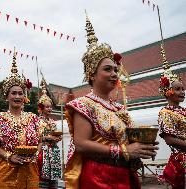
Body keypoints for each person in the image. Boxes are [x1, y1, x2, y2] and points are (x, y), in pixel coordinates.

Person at [64, 13, 159, 189]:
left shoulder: (119, 108)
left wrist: (141, 146)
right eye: (108, 69)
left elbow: (127, 142)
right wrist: (123, 151)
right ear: (92, 74)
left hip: (125, 174)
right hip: (98, 177)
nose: (114, 74)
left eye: (116, 69)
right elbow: (81, 144)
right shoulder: (83, 104)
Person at [0, 53, 43, 189]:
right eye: (13, 93)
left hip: (30, 171)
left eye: (20, 93)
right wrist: (9, 156)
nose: (17, 96)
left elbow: (40, 141)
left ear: (24, 97)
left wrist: (35, 155)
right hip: (7, 171)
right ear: (7, 97)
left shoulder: (33, 118)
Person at [157, 45, 186, 189]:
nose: (182, 91)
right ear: (168, 91)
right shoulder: (165, 112)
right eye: (178, 89)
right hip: (180, 160)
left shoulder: (184, 111)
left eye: (183, 88)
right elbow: (169, 139)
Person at [37, 76, 62, 189]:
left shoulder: (52, 121)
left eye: (50, 107)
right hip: (43, 152)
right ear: (41, 108)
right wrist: (47, 138)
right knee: (43, 181)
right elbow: (36, 138)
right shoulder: (37, 121)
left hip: (54, 152)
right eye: (47, 107)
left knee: (54, 181)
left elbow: (55, 134)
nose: (49, 109)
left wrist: (57, 138)